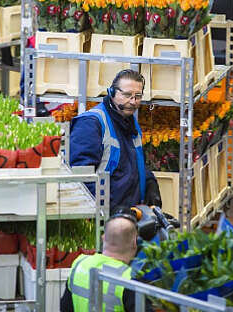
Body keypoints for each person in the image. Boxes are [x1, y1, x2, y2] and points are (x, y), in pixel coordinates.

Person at [69, 69, 162, 213]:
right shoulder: (90, 123)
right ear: (111, 92)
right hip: (102, 217)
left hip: (130, 212)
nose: (132, 102)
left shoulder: (129, 121)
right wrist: (111, 209)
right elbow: (81, 178)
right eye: (126, 95)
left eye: (138, 96)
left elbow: (135, 161)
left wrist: (149, 182)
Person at [61, 211, 151, 312]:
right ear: (135, 243)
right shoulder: (131, 280)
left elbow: (65, 307)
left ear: (103, 238)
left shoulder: (80, 263)